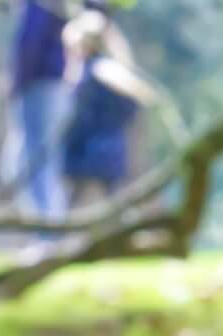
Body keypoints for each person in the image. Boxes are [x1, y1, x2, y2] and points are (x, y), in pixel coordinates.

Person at [60, 9, 156, 205]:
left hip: (87, 150)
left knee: (75, 201)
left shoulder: (90, 75)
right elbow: (132, 110)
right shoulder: (117, 74)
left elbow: (79, 117)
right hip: (112, 150)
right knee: (111, 201)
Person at [3, 0, 71, 220]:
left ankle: (46, 227)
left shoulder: (38, 5)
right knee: (39, 157)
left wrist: (16, 81)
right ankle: (48, 224)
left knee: (36, 159)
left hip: (38, 85)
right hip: (47, 83)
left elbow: (31, 43)